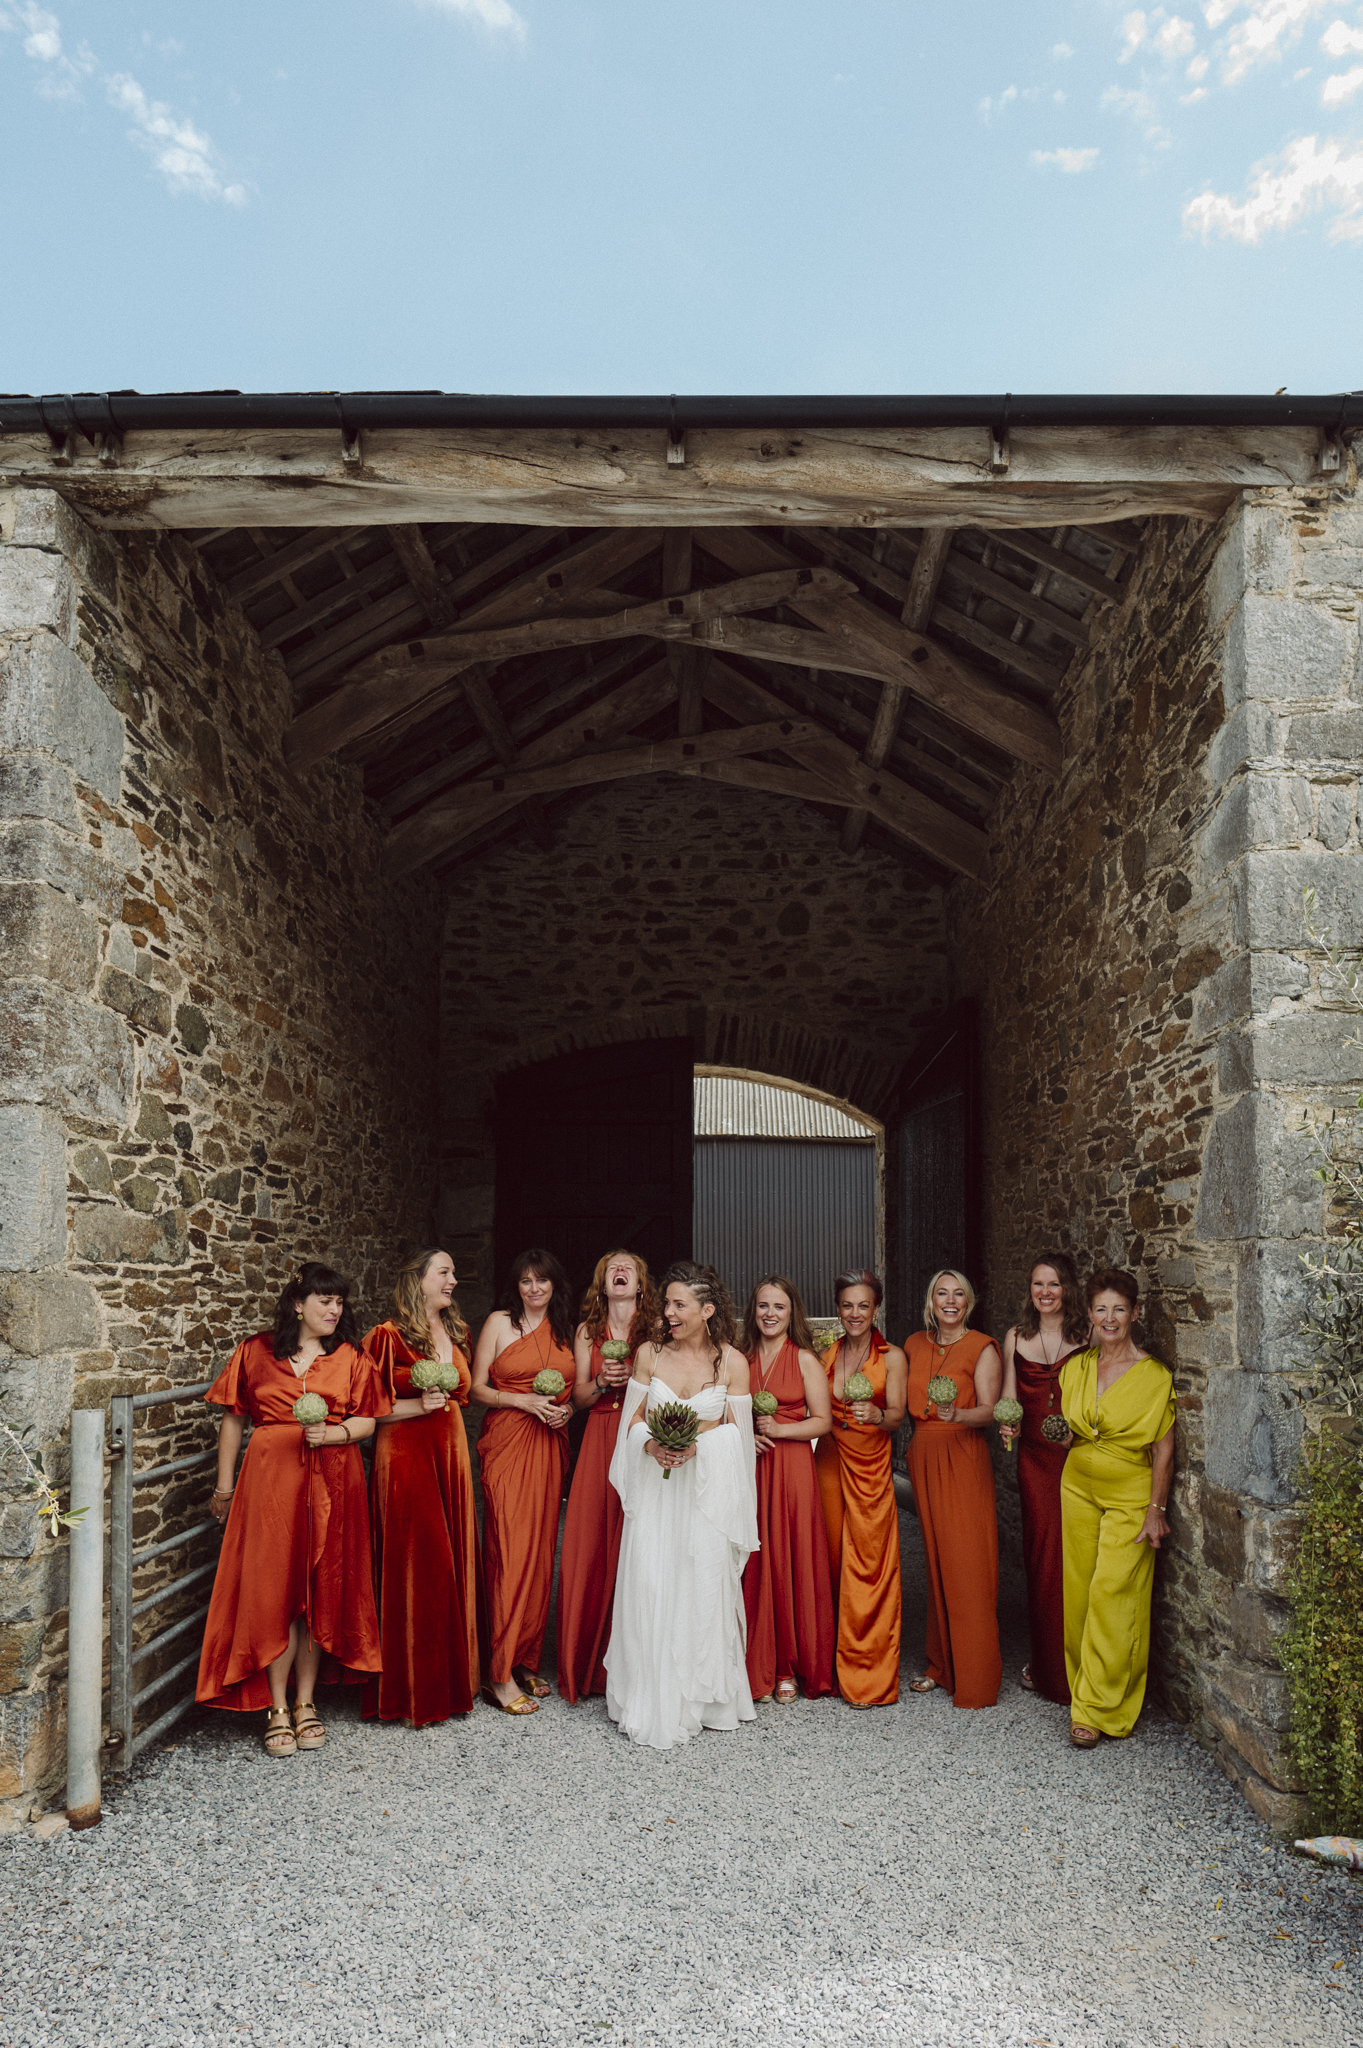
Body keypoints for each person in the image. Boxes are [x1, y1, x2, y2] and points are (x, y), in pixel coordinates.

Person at [197, 1263, 390, 1755]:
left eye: (339, 1302)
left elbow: (369, 1419)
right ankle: (275, 1705)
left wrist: (337, 1433)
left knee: (322, 1585)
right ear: (297, 1304)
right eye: (323, 1300)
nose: (333, 1309)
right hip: (269, 1485)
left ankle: (306, 1702)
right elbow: (233, 1420)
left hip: (335, 1478)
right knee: (274, 1588)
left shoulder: (351, 1357)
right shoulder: (256, 1352)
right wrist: (224, 1489)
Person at [605, 1260, 758, 1749]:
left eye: (678, 1304)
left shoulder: (732, 1363)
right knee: (651, 1578)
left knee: (701, 1584)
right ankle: (648, 1690)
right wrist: (651, 1446)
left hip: (706, 1496)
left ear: (707, 1310)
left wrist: (699, 1446)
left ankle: (703, 1698)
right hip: (657, 1491)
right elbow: (632, 1423)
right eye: (667, 1303)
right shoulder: (649, 1354)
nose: (667, 1312)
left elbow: (739, 1435)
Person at [363, 1248, 486, 1727]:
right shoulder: (386, 1337)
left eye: (453, 1271)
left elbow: (463, 1395)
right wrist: (418, 1406)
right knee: (419, 1561)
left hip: (450, 1453)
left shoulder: (457, 1332)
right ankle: (412, 1688)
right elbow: (367, 1410)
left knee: (451, 1558)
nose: (453, 1279)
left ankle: (455, 1680)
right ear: (418, 1280)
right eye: (445, 1272)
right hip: (406, 1455)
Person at [1058, 1268, 1175, 1749]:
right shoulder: (1076, 1367)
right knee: (1081, 1595)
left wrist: (1156, 1509)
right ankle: (1082, 1691)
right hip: (1077, 1486)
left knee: (1114, 1594)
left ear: (1135, 1314)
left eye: (1119, 1309)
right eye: (1101, 1309)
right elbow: (1070, 1431)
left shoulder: (1154, 1376)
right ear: (1089, 1315)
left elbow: (1163, 1452)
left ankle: (1099, 1709)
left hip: (1131, 1493)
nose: (1110, 1318)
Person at [470, 1248, 575, 1714]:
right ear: (516, 1286)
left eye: (542, 1281)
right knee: (509, 1551)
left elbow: (576, 1387)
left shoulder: (567, 1328)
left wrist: (566, 1410)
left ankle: (525, 1657)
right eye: (526, 1281)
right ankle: (498, 1671)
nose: (534, 1289)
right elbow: (475, 1390)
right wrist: (521, 1401)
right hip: (509, 1442)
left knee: (538, 1552)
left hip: (550, 1447)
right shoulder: (498, 1323)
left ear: (554, 1285)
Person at [556, 1249, 661, 1703]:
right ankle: (586, 1663)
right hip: (600, 1433)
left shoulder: (657, 1329)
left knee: (641, 1540)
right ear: (602, 1283)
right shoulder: (587, 1331)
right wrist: (601, 1380)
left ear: (640, 1284)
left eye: (629, 1267)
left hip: (643, 1432)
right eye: (611, 1268)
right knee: (591, 1539)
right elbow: (577, 1397)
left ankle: (638, 1664)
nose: (620, 1272)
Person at [903, 1269, 1003, 1709]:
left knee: (967, 1561)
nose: (950, 1300)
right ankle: (939, 1665)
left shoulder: (982, 1347)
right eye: (941, 1293)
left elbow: (991, 1411)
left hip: (962, 1456)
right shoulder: (912, 1345)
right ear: (931, 1300)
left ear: (969, 1301)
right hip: (923, 1455)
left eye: (958, 1294)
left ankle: (976, 1676)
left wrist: (957, 1415)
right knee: (936, 1559)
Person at [997, 1251, 1091, 1704]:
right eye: (1038, 1284)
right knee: (1042, 1558)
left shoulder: (1088, 1333)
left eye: (1053, 1284)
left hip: (1078, 1458)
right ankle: (1047, 1662)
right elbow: (1009, 1396)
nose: (1045, 1293)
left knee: (1079, 1559)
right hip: (1034, 1460)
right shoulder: (1016, 1336)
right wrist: (1007, 1421)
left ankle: (1079, 1665)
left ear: (1067, 1288)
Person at [814, 1268, 907, 1708]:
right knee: (832, 1559)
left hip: (871, 1466)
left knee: (870, 1564)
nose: (855, 1313)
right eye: (847, 1305)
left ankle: (869, 1669)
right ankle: (830, 1661)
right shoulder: (825, 1355)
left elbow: (898, 1417)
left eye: (863, 1306)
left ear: (875, 1309)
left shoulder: (893, 1357)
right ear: (838, 1308)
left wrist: (877, 1416)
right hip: (830, 1463)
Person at [741, 1273, 836, 1704]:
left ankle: (789, 1667)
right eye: (764, 1306)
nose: (770, 1314)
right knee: (754, 1560)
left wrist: (779, 1428)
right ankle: (753, 1658)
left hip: (793, 1467)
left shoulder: (805, 1361)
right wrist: (745, 1434)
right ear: (753, 1310)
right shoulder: (739, 1360)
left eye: (779, 1307)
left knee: (791, 1559)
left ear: (791, 1311)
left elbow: (823, 1421)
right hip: (750, 1467)